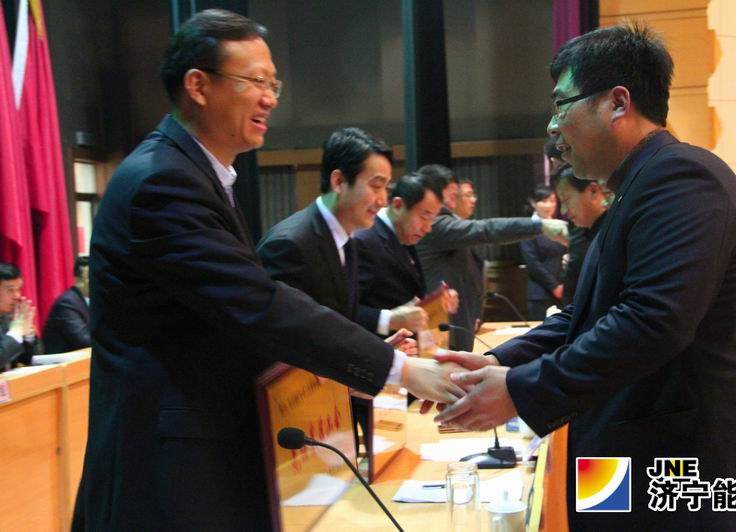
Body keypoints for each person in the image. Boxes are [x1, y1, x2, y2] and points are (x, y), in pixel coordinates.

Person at [72, 11, 464, 531]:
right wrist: (400, 370)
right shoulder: (163, 183)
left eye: (273, 84)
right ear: (198, 86)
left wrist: (353, 367)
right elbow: (259, 306)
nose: (270, 98)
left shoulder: (198, 174)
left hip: (199, 451)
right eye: (255, 81)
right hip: (166, 468)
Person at [433, 23, 736, 530]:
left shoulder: (682, 179)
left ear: (618, 103)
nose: (552, 127)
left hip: (696, 480)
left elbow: (651, 322)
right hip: (634, 463)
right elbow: (587, 316)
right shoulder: (635, 187)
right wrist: (499, 361)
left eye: (561, 105)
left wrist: (520, 389)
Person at [256, 127, 424, 455]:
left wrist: (372, 351)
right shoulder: (291, 245)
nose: (382, 200)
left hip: (330, 417)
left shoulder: (348, 238)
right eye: (375, 185)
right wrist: (368, 363)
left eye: (386, 187)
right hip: (295, 428)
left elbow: (335, 321)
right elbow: (281, 348)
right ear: (338, 181)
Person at [415, 164, 568, 351]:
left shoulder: (446, 222)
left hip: (455, 321)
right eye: (452, 196)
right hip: (441, 326)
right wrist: (539, 226)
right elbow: (487, 229)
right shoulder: (436, 224)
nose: (453, 203)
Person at [354, 173, 457, 335]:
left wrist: (436, 304)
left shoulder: (404, 235)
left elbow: (405, 299)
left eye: (432, 220)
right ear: (397, 205)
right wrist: (388, 319)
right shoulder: (364, 240)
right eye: (424, 217)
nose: (428, 228)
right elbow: (343, 309)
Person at [552, 164, 608, 305]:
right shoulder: (583, 232)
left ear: (593, 191)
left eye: (566, 200)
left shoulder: (613, 230)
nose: (563, 211)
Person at [520, 185, 567, 320]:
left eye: (552, 201)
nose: (549, 205)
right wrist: (554, 286)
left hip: (563, 290)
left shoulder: (560, 225)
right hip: (540, 292)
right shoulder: (529, 227)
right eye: (544, 201)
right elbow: (533, 263)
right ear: (534, 203)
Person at [42, 256, 90, 353]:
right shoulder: (67, 303)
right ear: (77, 280)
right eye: (90, 277)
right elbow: (84, 341)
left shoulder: (96, 300)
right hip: (62, 361)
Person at [0, 262, 41, 370]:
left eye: (19, 289)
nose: (17, 296)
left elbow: (30, 360)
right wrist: (15, 333)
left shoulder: (8, 319)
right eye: (10, 290)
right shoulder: (13, 326)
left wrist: (27, 335)